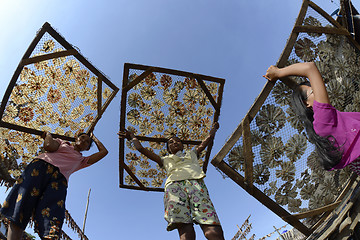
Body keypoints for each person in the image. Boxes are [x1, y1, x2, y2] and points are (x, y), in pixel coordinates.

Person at [119, 122, 225, 240]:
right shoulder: (164, 159)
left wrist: (213, 128)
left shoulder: (192, 154)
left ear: (182, 145)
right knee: (184, 227)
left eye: (177, 141)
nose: (175, 142)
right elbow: (141, 149)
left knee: (210, 225)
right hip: (174, 188)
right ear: (168, 149)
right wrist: (132, 136)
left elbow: (208, 139)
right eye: (171, 142)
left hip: (195, 184)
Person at [0, 131, 108, 240]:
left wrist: (94, 137)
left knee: (53, 215)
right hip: (39, 168)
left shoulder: (82, 160)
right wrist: (48, 135)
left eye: (87, 142)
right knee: (22, 205)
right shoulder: (62, 143)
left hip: (58, 181)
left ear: (87, 149)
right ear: (76, 139)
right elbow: (48, 146)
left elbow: (104, 152)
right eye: (82, 137)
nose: (84, 140)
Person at [263, 61, 360, 174]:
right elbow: (310, 68)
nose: (320, 91)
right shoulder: (323, 119)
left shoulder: (322, 126)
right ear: (306, 104)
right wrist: (278, 72)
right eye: (313, 91)